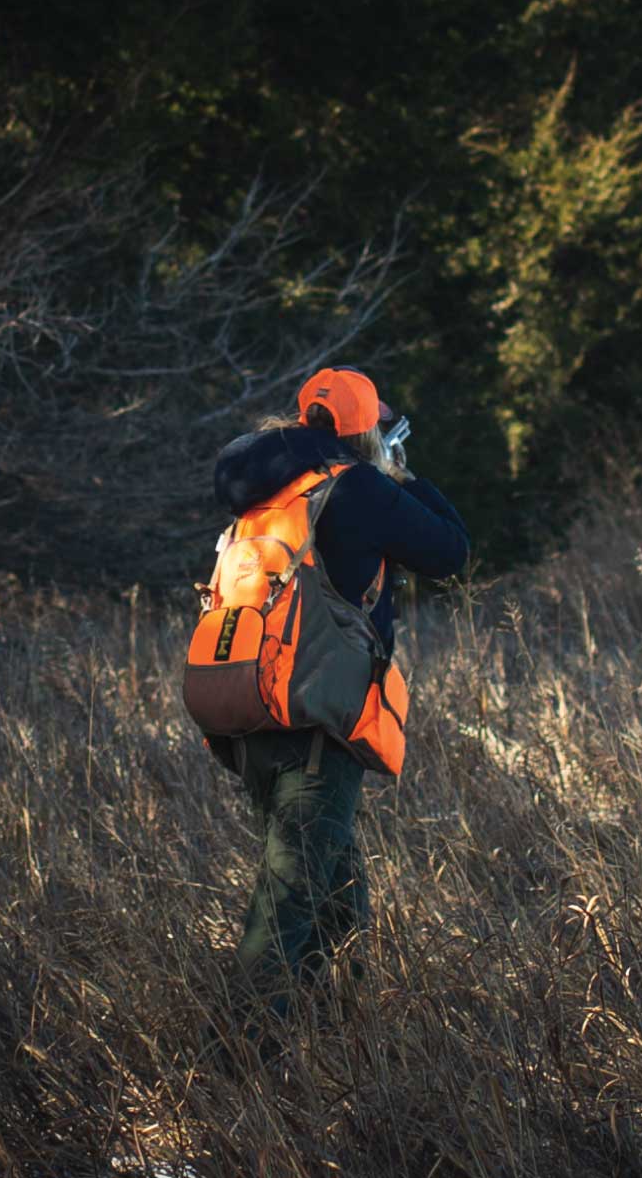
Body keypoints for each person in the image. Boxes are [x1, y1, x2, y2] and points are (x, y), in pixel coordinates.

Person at [208, 365, 468, 1024]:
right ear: (363, 431)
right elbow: (450, 551)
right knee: (287, 904)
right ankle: (236, 1064)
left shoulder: (263, 492)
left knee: (337, 902)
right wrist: (403, 475)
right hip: (318, 723)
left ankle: (333, 1035)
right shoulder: (360, 489)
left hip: (249, 709)